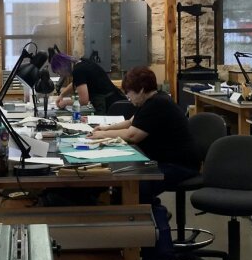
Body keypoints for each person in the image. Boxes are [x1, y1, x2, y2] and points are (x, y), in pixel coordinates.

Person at [87, 66, 199, 205]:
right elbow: (129, 122)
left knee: (134, 185)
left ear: (140, 90)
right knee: (123, 178)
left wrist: (102, 134)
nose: (128, 98)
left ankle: (153, 215)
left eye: (129, 93)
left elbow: (132, 135)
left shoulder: (157, 104)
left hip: (179, 166)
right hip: (166, 160)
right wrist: (105, 128)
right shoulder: (153, 99)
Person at [49, 51, 125, 115]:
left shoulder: (78, 70)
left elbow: (83, 101)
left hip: (109, 104)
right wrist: (62, 95)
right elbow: (76, 83)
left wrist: (65, 103)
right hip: (115, 98)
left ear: (62, 67)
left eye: (59, 72)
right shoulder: (81, 62)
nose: (61, 75)